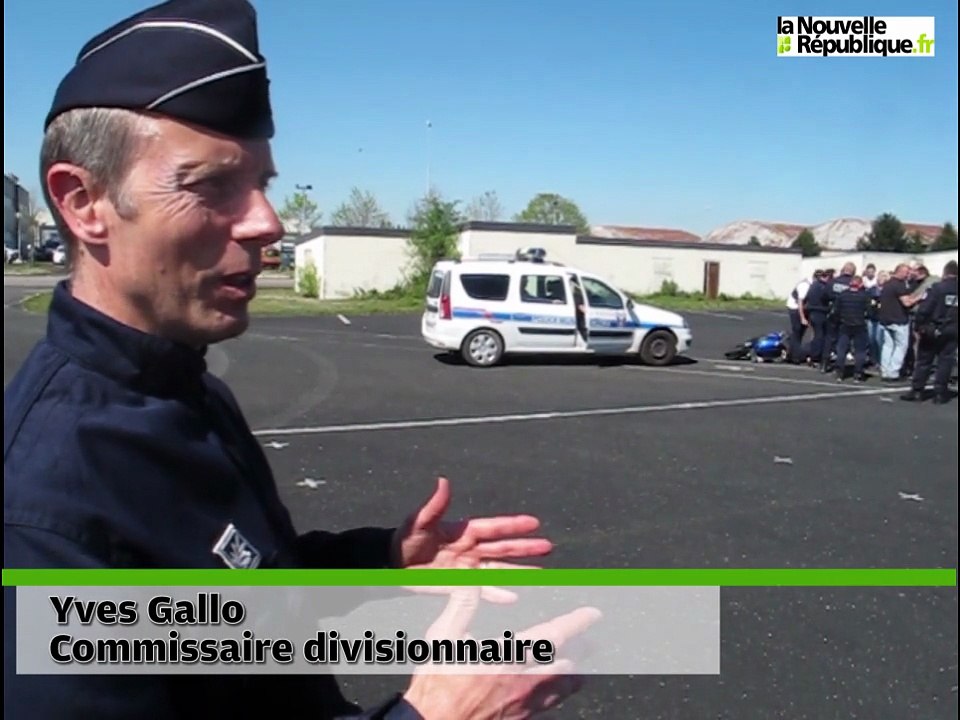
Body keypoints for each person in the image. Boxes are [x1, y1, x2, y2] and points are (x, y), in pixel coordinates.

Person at [3, 1, 592, 718]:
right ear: (83, 201)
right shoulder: (45, 513)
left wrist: (380, 561)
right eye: (211, 185)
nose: (268, 222)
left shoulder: (186, 385)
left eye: (262, 184)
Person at [901, 260, 958, 404]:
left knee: (924, 360)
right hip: (953, 329)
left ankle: (918, 390)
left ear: (945, 273)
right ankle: (940, 393)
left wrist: (919, 325)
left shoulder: (937, 288)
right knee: (946, 361)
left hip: (934, 327)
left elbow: (925, 309)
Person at [832, 275, 871, 383]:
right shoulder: (864, 296)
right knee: (860, 350)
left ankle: (840, 372)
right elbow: (869, 312)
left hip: (845, 324)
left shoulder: (842, 295)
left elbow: (836, 311)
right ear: (860, 284)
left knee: (842, 349)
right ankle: (858, 373)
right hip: (859, 324)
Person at [785, 271, 814, 364]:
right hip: (794, 307)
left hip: (803, 307)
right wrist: (802, 318)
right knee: (797, 331)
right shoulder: (805, 286)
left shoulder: (812, 285)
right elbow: (800, 303)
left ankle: (792, 352)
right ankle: (795, 357)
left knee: (800, 332)